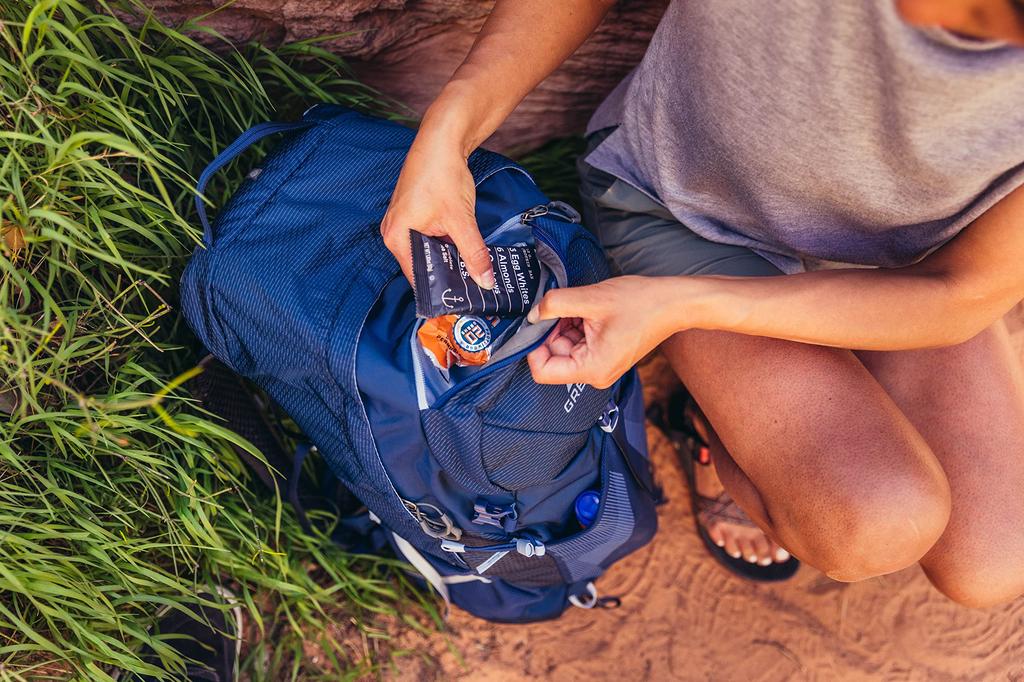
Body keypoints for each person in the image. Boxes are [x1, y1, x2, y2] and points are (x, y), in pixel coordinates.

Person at [381, 0, 1024, 607]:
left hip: (916, 259)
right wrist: (450, 132)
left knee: (993, 563)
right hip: (687, 206)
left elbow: (957, 292)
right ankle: (719, 430)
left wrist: (681, 305)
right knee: (871, 524)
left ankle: (782, 384)